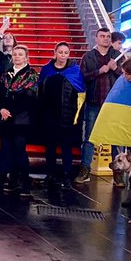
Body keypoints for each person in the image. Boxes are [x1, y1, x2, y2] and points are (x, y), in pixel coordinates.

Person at [38, 42, 83, 189]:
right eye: (60, 52)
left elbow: (80, 94)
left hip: (67, 115)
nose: (63, 55)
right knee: (49, 146)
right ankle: (50, 174)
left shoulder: (74, 71)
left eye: (66, 53)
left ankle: (66, 176)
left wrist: (76, 116)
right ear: (55, 53)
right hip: (48, 114)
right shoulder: (46, 70)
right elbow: (40, 91)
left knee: (66, 147)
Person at [0, 44, 39, 196]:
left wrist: (11, 111)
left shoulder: (32, 75)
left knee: (20, 151)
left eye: (20, 54)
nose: (17, 57)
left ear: (26, 57)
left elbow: (29, 99)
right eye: (15, 54)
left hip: (22, 120)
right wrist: (1, 108)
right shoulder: (5, 74)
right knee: (8, 151)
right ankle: (12, 180)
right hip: (5, 119)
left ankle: (25, 182)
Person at [79, 28, 121, 180]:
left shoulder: (118, 56)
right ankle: (85, 169)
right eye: (102, 36)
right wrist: (99, 71)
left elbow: (127, 76)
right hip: (94, 102)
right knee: (90, 138)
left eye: (108, 36)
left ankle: (117, 173)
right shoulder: (88, 56)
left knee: (115, 139)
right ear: (96, 38)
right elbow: (82, 77)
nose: (106, 39)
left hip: (113, 104)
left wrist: (116, 69)